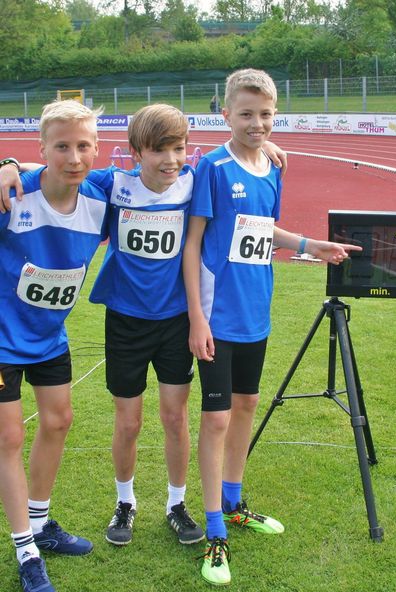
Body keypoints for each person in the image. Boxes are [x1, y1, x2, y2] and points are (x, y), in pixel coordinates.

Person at [0, 103, 288, 552]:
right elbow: (57, 169)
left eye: (178, 150)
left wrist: (260, 141)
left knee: (175, 417)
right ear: (134, 153)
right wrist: (9, 163)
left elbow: (225, 158)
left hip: (175, 323)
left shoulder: (194, 182)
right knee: (128, 421)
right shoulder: (113, 186)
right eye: (158, 151)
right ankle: (125, 502)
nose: (170, 160)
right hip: (126, 322)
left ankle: (176, 504)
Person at [182, 68, 361, 586]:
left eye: (265, 114)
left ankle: (235, 504)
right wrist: (196, 316)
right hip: (217, 316)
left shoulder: (273, 165)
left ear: (275, 114)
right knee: (215, 420)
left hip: (256, 310)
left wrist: (308, 245)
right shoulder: (212, 168)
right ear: (226, 115)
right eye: (245, 114)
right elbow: (194, 244)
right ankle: (214, 530)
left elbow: (263, 230)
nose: (256, 123)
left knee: (247, 406)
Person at [0, 100, 107, 592]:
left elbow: (166, 171)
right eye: (61, 146)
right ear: (41, 150)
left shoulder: (102, 198)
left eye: (83, 145)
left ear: (96, 149)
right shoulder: (13, 195)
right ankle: (26, 551)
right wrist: (6, 166)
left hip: (47, 338)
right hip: (0, 340)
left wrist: (259, 141)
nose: (74, 156)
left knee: (58, 421)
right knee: (7, 441)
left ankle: (41, 523)